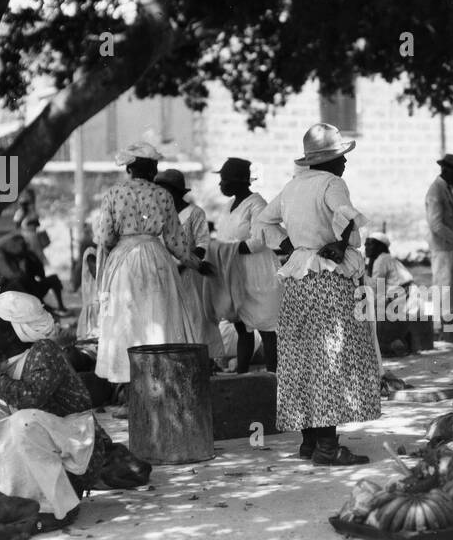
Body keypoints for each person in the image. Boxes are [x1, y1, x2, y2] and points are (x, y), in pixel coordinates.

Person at [255, 123, 381, 465]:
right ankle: (328, 446)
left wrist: (290, 245)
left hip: (298, 279)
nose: (344, 164)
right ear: (331, 161)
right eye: (341, 158)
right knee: (330, 357)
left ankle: (310, 441)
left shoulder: (293, 186)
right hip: (327, 278)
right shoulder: (332, 183)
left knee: (303, 356)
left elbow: (263, 222)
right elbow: (347, 216)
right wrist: (339, 243)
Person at [0, 291, 102, 521]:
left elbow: (30, 399)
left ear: (9, 334)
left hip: (71, 439)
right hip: (33, 431)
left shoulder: (45, 351)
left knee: (22, 421)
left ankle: (56, 506)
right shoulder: (1, 352)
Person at [91, 143, 197, 389]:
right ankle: (160, 391)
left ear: (129, 168)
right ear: (152, 169)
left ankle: (131, 396)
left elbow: (105, 237)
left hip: (125, 263)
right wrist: (196, 263)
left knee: (127, 325)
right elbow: (175, 241)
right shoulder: (163, 195)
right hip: (157, 260)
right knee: (157, 321)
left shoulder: (114, 193)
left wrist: (115, 251)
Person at [207, 158, 279, 373]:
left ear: (238, 181)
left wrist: (226, 250)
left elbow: (259, 241)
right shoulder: (230, 205)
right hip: (236, 275)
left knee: (267, 329)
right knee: (242, 329)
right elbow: (225, 236)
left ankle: (272, 380)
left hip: (259, 275)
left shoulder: (257, 205)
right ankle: (242, 375)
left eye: (224, 180)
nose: (221, 185)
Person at [154, 168, 225, 361]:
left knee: (195, 317)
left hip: (190, 274)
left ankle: (204, 361)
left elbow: (203, 243)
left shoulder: (195, 213)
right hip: (165, 274)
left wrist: (186, 262)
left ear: (175, 192)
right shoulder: (158, 215)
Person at [425, 154, 453, 338]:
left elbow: (448, 214)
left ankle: (450, 325)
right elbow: (436, 225)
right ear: (446, 170)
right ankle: (437, 326)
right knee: (442, 286)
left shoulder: (445, 188)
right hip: (442, 246)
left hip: (449, 245)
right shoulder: (436, 190)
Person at [0, 231, 65, 313]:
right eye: (20, 245)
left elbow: (41, 275)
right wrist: (23, 264)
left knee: (53, 279)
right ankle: (41, 308)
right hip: (4, 296)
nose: (22, 247)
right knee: (18, 282)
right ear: (11, 245)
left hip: (24, 292)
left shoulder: (22, 256)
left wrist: (33, 260)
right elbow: (12, 276)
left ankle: (59, 307)